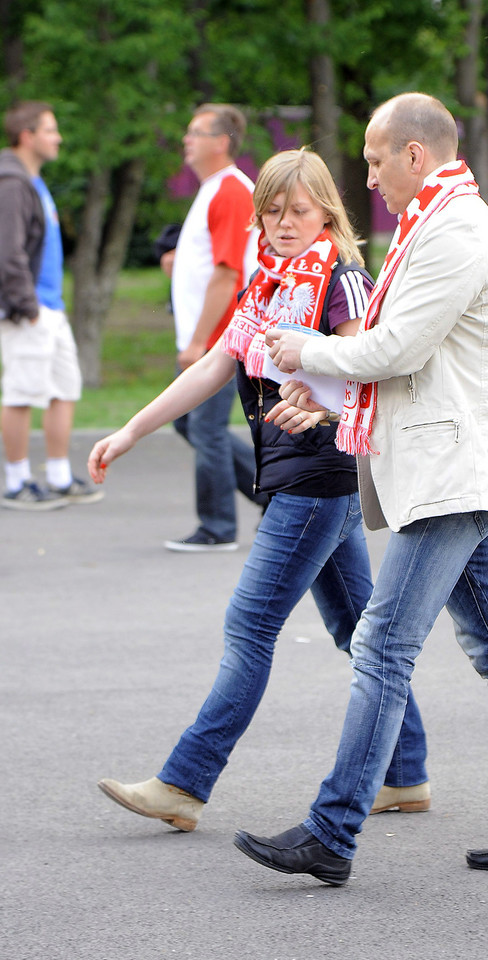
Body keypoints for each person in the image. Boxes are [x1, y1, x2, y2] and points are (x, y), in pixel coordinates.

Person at [233, 93, 488, 886]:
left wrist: (302, 349)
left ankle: (331, 832)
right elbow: (408, 361)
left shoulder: (454, 232)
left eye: (372, 160)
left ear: (414, 155)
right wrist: (320, 395)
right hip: (445, 467)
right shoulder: (432, 226)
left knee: (381, 644)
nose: (366, 177)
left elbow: (394, 348)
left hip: (451, 472)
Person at [88, 148, 430, 833]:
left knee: (249, 628)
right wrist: (131, 430)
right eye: (270, 211)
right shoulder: (268, 283)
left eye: (296, 210)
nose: (281, 224)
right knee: (355, 630)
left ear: (326, 211)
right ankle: (405, 774)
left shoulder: (341, 276)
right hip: (294, 477)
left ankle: (184, 784)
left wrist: (324, 399)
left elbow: (366, 365)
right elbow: (216, 364)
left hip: (319, 476)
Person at [164, 103, 266, 553]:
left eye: (196, 132)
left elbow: (228, 275)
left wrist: (199, 341)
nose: (187, 139)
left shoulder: (229, 191)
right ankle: (270, 493)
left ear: (221, 142)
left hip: (222, 336)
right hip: (210, 335)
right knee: (188, 421)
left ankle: (218, 526)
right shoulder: (213, 190)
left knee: (202, 426)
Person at [0, 101, 103, 510]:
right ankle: (16, 480)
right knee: (23, 393)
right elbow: (7, 252)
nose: (58, 137)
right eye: (50, 129)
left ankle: (58, 477)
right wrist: (27, 305)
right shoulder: (11, 183)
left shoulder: (33, 181)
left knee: (65, 387)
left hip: (51, 306)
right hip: (29, 307)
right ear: (27, 135)